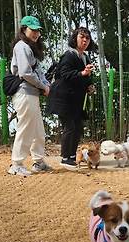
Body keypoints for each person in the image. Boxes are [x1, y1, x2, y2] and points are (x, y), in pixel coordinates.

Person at [7, 15, 53, 176]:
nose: (36, 34)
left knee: (38, 130)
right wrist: (43, 86)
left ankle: (38, 161)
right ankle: (16, 164)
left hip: (31, 93)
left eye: (37, 31)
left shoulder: (30, 48)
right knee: (26, 128)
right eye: (32, 30)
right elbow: (26, 73)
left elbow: (37, 72)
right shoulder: (21, 46)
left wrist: (46, 85)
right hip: (24, 92)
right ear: (24, 29)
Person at [47, 27, 97, 170]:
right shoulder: (69, 55)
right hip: (64, 98)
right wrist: (82, 73)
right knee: (69, 127)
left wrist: (90, 86)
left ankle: (72, 157)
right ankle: (65, 158)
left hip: (76, 99)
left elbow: (86, 77)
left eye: (87, 38)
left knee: (78, 127)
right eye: (82, 37)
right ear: (75, 38)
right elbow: (64, 74)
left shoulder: (85, 57)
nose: (85, 40)